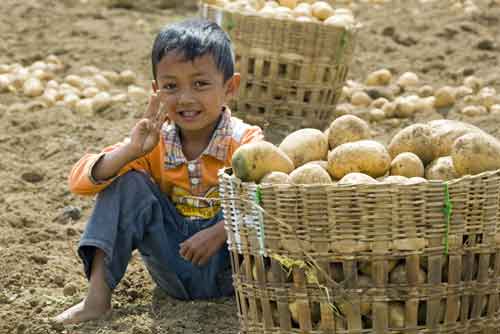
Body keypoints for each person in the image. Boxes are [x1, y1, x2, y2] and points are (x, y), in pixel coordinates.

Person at [54, 18, 263, 324]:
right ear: (156, 92)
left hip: (234, 274)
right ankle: (96, 300)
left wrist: (221, 232)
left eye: (201, 83)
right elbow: (80, 182)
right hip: (173, 269)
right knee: (127, 182)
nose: (186, 98)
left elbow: (268, 200)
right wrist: (130, 151)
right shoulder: (153, 143)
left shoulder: (245, 141)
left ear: (230, 87)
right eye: (171, 86)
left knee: (258, 189)